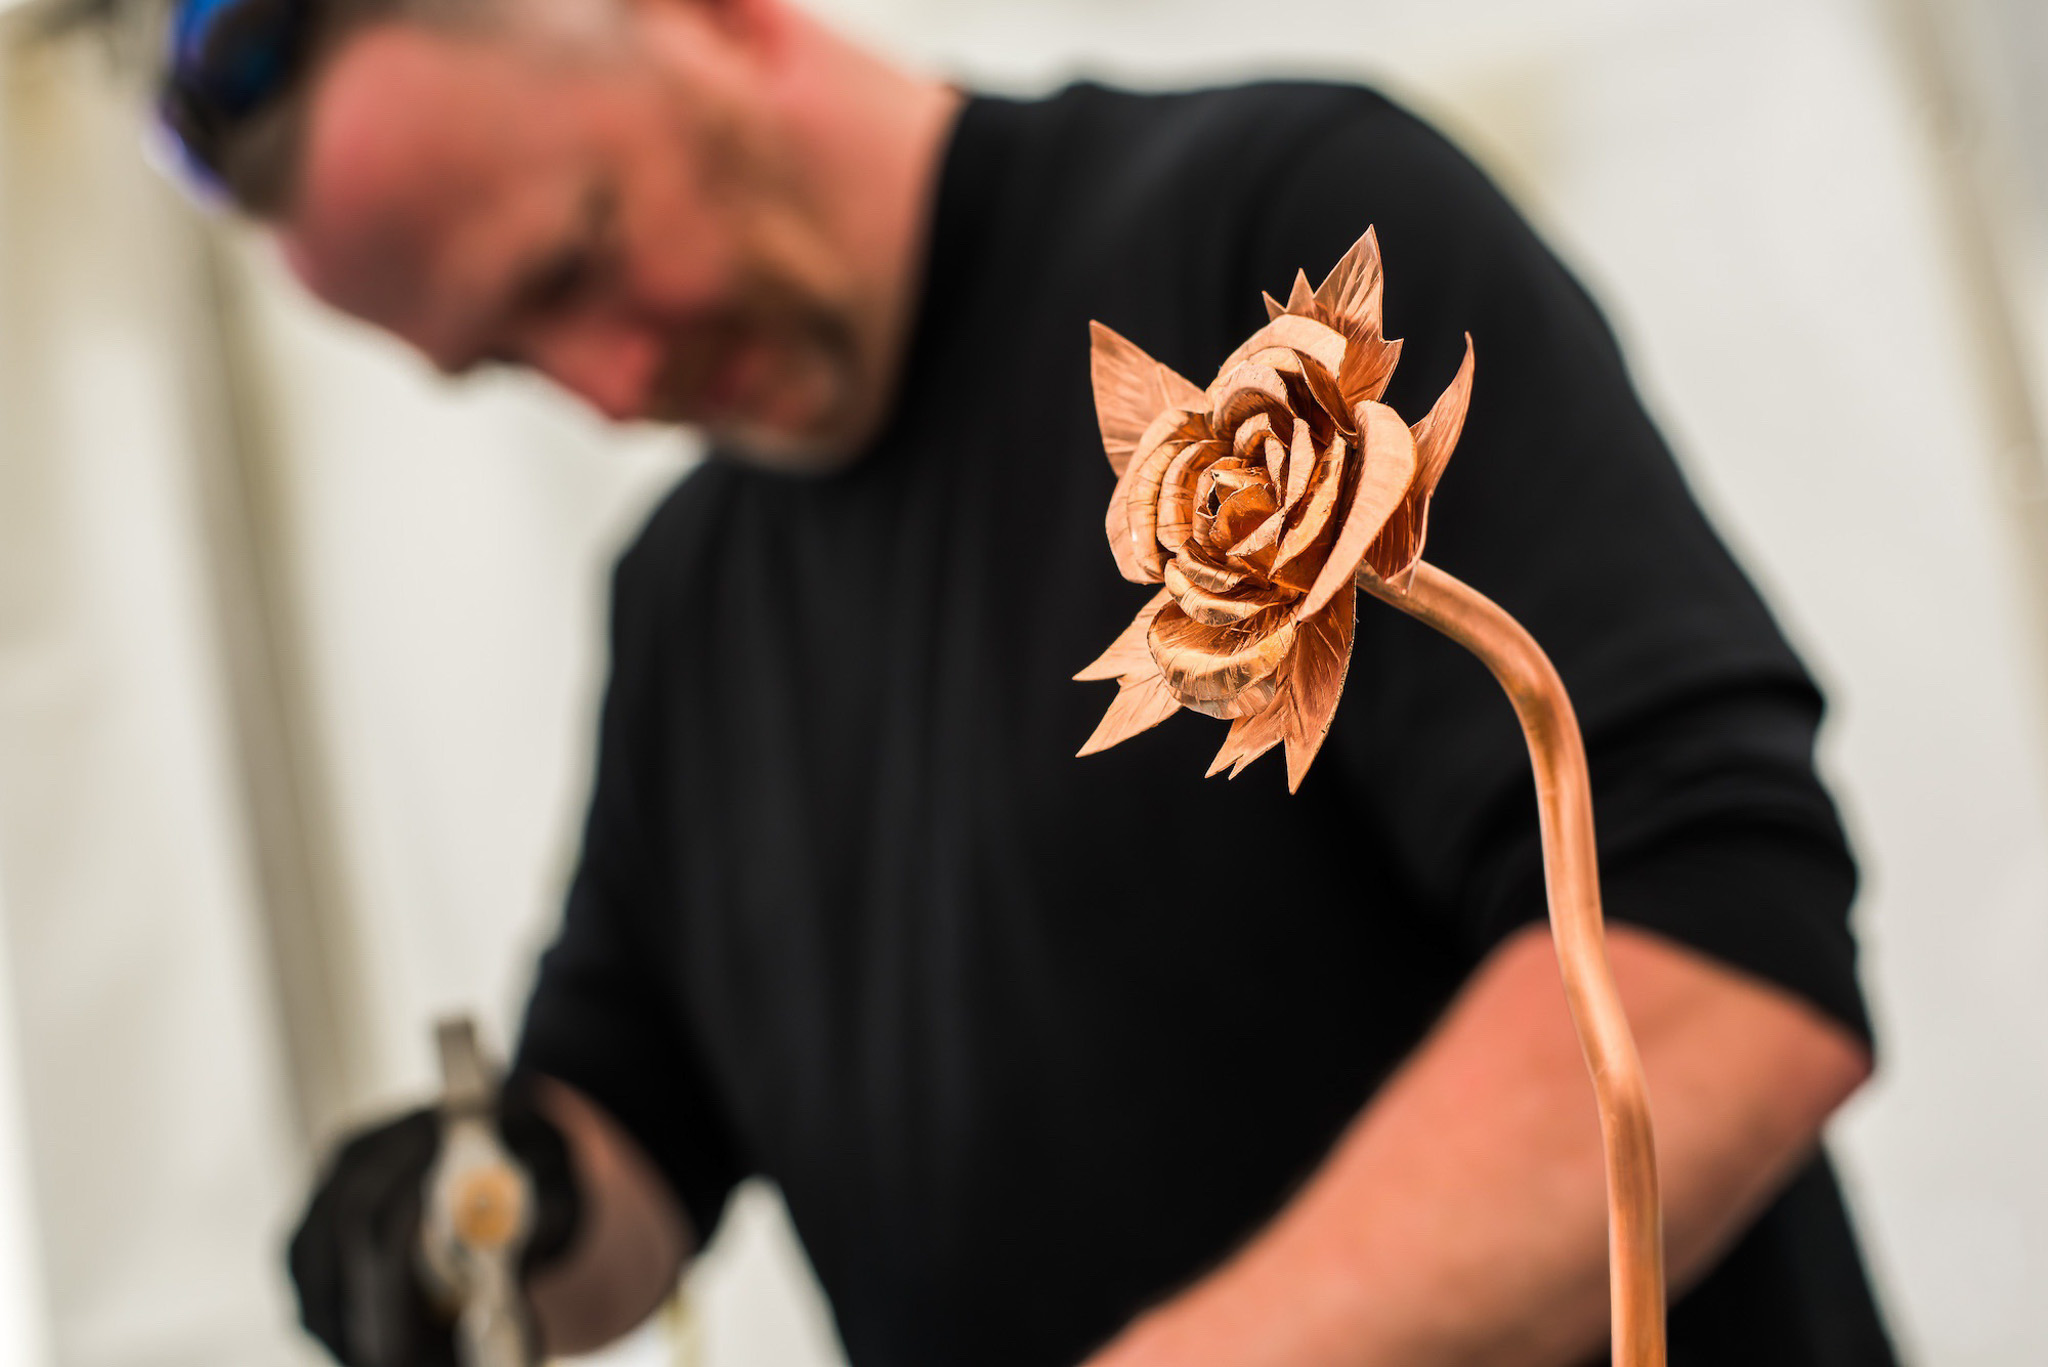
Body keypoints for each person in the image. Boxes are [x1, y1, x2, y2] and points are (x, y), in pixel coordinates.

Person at [155, 0, 1898, 1361]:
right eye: (506, 360)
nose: (607, 388)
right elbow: (633, 1157)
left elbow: (1718, 964)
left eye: (579, 258)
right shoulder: (685, 606)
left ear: (709, 17)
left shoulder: (1274, 255)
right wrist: (484, 1213)